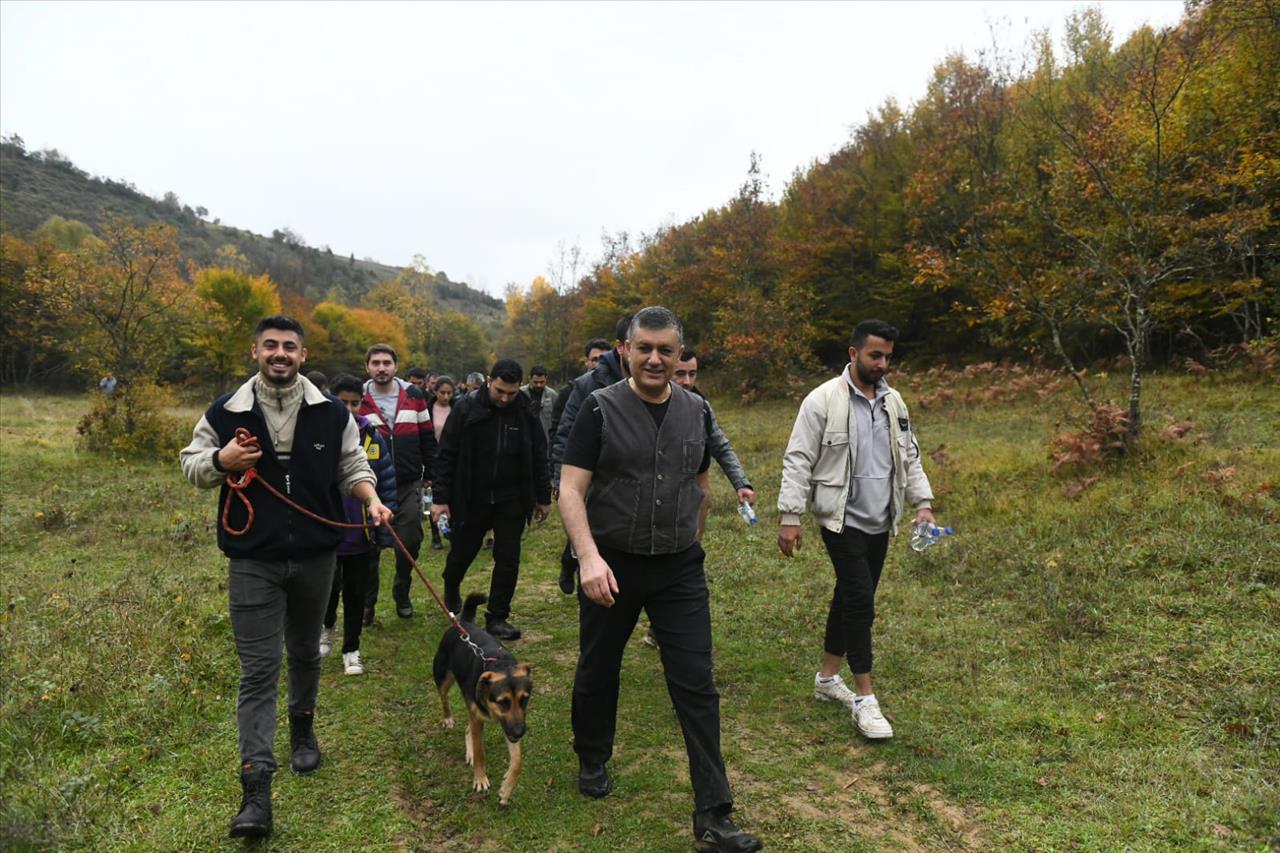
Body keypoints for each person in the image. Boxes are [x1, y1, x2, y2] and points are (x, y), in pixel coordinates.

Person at [178, 315, 392, 839]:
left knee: (304, 652)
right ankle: (256, 791)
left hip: (317, 556)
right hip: (252, 558)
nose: (279, 353)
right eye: (270, 345)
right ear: (255, 351)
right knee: (257, 670)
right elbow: (190, 464)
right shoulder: (225, 411)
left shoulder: (328, 411)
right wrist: (222, 460)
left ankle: (303, 730)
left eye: (289, 347)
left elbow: (352, 466)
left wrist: (373, 500)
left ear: (302, 353)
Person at [558, 306, 762, 853]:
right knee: (599, 667)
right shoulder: (598, 409)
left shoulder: (696, 410)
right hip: (613, 564)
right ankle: (592, 755)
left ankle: (714, 815)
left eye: (666, 350)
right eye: (644, 347)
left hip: (677, 568)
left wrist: (692, 542)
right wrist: (588, 558)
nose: (655, 358)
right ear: (625, 349)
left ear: (679, 355)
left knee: (697, 684)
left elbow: (699, 479)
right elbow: (571, 489)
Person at [776, 319, 936, 741]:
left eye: (887, 357)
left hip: (880, 520)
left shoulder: (893, 402)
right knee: (861, 601)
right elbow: (798, 458)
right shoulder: (822, 400)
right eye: (874, 356)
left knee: (848, 597)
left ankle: (827, 678)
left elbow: (910, 456)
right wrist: (790, 516)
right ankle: (866, 699)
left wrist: (924, 504)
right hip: (839, 518)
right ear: (853, 354)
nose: (882, 364)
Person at [431, 359, 551, 640]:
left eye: (511, 393)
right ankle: (451, 583)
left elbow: (538, 455)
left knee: (509, 558)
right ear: (489, 381)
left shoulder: (526, 412)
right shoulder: (466, 408)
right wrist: (440, 498)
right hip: (472, 495)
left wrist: (543, 497)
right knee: (463, 551)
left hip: (512, 496)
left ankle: (497, 616)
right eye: (499, 391)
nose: (505, 398)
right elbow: (446, 455)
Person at [322, 374, 398, 676]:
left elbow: (387, 482)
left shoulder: (373, 438)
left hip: (361, 534)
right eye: (343, 403)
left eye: (355, 403)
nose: (350, 409)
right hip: (326, 533)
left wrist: (382, 529)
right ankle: (326, 628)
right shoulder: (317, 435)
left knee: (356, 593)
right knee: (327, 589)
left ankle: (351, 649)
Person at [552, 319, 631, 596]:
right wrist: (558, 477)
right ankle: (574, 564)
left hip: (621, 472)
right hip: (586, 468)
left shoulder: (646, 381)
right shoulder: (587, 384)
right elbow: (565, 431)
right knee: (585, 523)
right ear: (623, 347)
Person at [358, 344, 437, 620]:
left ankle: (402, 591)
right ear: (367, 366)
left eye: (386, 363)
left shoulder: (414, 395)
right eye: (376, 363)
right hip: (368, 486)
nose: (381, 368)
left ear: (395, 366)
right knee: (368, 549)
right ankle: (367, 605)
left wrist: (431, 474)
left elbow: (427, 436)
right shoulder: (359, 397)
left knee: (410, 540)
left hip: (408, 482)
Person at [549, 338, 610, 444]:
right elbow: (558, 432)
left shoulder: (617, 392)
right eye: (595, 360)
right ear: (587, 362)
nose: (599, 365)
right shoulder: (568, 392)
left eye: (603, 360)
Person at [426, 375, 457, 550]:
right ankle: (435, 534)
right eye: (442, 392)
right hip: (434, 458)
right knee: (434, 497)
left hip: (453, 458)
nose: (446, 396)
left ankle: (451, 530)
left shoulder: (457, 408)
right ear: (435, 391)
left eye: (449, 393)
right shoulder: (428, 409)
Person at [520, 364, 558, 447]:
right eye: (535, 382)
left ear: (546, 379)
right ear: (530, 378)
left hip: (545, 442)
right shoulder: (521, 394)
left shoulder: (552, 395)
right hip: (524, 439)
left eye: (541, 382)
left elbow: (557, 420)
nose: (539, 385)